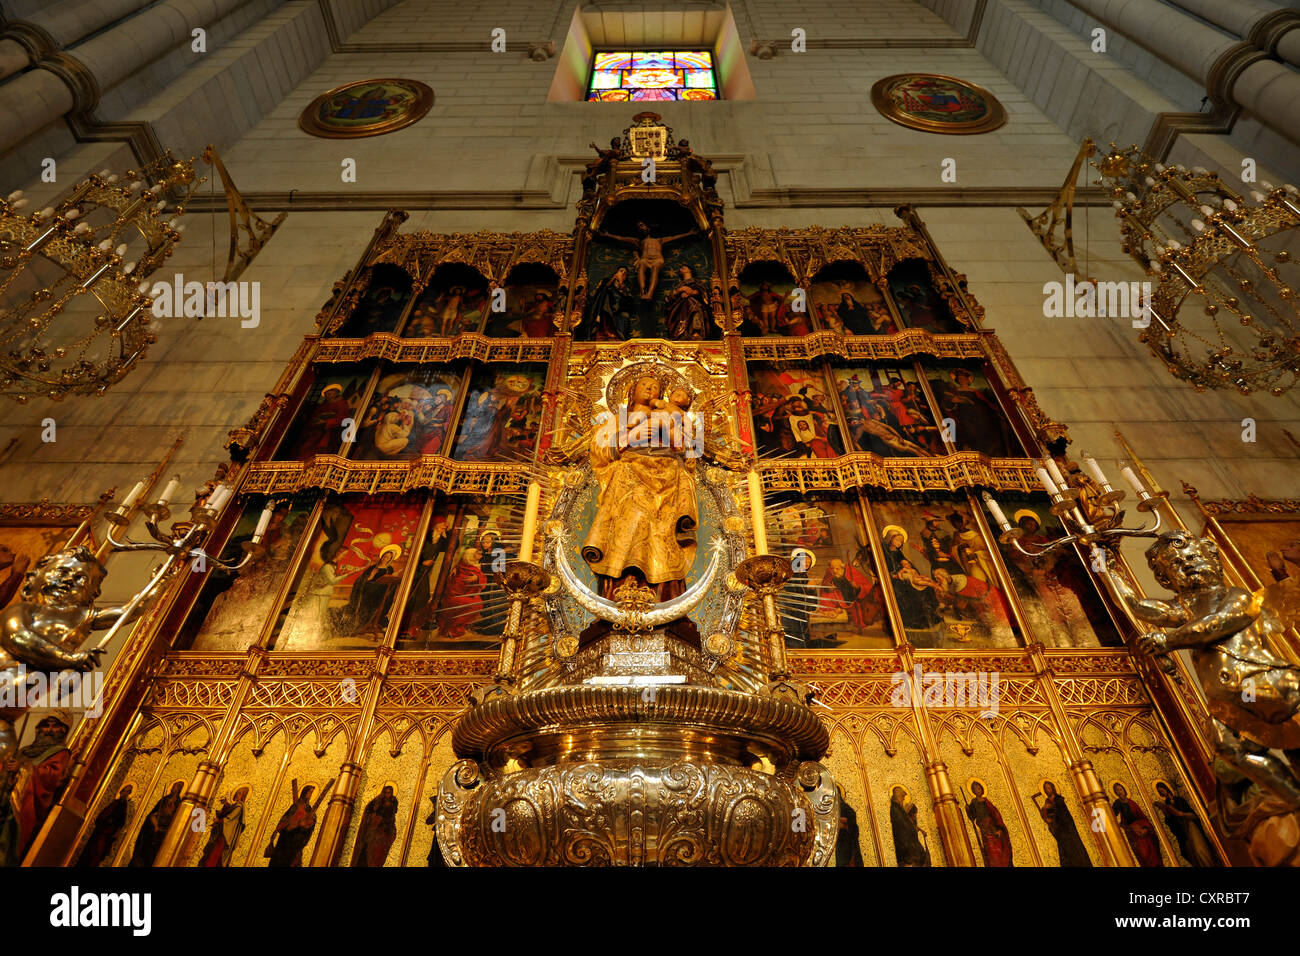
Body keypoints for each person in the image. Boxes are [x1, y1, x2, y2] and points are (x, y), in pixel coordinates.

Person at [581, 373, 699, 647]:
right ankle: (616, 605)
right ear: (630, 391)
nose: (650, 387)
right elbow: (598, 452)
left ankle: (667, 608)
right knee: (629, 530)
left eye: (656, 385)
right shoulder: (618, 420)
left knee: (663, 540)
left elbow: (693, 454)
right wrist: (628, 438)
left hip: (668, 482)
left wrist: (676, 440)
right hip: (629, 480)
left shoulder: (674, 416)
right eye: (644, 384)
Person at [0, 709, 73, 866]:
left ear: (63, 730)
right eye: (46, 726)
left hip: (26, 805)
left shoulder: (60, 753)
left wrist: (23, 768)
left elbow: (54, 777)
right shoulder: (24, 750)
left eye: (55, 726)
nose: (49, 730)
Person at [596, 221, 699, 299]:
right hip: (645, 258)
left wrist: (689, 233)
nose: (640, 228)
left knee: (655, 270)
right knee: (641, 266)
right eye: (639, 227)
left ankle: (650, 293)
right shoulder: (638, 241)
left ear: (648, 227)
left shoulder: (659, 240)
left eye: (642, 225)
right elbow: (621, 238)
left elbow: (674, 237)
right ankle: (643, 292)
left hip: (657, 258)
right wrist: (607, 235)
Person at [265, 779, 333, 867]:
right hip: (285, 840)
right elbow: (284, 819)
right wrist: (288, 824)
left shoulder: (309, 810)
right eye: (309, 792)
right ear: (304, 793)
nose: (310, 795)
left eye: (311, 793)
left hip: (296, 842)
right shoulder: (295, 806)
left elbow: (310, 826)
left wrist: (305, 825)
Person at [1154, 781, 1216, 867]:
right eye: (1160, 792)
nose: (1162, 793)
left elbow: (1191, 813)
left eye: (1162, 790)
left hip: (1191, 826)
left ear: (1166, 788)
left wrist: (1180, 814)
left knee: (1200, 849)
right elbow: (1173, 825)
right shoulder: (1167, 805)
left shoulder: (1179, 800)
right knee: (1191, 853)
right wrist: (1166, 813)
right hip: (1183, 833)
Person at [128, 779, 184, 867]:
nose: (173, 788)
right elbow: (154, 813)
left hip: (163, 833)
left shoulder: (178, 803)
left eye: (175, 787)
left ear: (179, 789)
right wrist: (155, 823)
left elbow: (176, 819)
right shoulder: (164, 799)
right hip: (151, 831)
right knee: (143, 853)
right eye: (173, 786)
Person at [1037, 781, 1092, 866]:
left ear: (1053, 788)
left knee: (1074, 851)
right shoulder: (1047, 802)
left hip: (1067, 830)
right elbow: (1048, 816)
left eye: (1049, 788)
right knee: (1064, 853)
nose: (1047, 790)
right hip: (1059, 833)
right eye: (1046, 789)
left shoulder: (1058, 800)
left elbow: (1064, 816)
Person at [76, 783, 133, 867]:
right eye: (124, 790)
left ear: (129, 793)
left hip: (107, 833)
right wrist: (102, 820)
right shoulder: (116, 802)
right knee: (91, 851)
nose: (124, 793)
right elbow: (105, 814)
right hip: (101, 830)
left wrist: (114, 829)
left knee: (98, 853)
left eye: (127, 791)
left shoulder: (124, 805)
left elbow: (121, 821)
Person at [1111, 782, 1163, 866]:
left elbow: (1142, 817)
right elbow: (1112, 815)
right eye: (1117, 790)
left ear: (1124, 790)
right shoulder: (1117, 803)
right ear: (1115, 793)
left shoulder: (1132, 803)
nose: (1119, 791)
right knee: (1143, 855)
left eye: (1121, 789)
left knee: (1152, 854)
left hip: (1142, 832)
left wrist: (1145, 829)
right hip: (1132, 834)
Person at [198, 786, 249, 867]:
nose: (236, 795)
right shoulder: (235, 805)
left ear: (243, 796)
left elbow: (230, 817)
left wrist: (219, 821)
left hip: (227, 834)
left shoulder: (239, 807)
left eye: (239, 794)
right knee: (213, 851)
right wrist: (226, 804)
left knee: (216, 853)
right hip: (223, 831)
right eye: (237, 793)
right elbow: (229, 810)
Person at [966, 780, 1014, 866]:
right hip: (984, 830)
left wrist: (998, 829)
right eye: (975, 789)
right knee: (990, 851)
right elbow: (972, 816)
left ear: (982, 789)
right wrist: (968, 809)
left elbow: (995, 814)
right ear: (973, 791)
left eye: (979, 788)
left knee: (998, 850)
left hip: (992, 828)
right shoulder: (974, 802)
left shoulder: (986, 802)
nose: (977, 790)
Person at [351, 784, 399, 867]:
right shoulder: (376, 801)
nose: (387, 795)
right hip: (373, 831)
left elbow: (391, 817)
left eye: (389, 793)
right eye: (386, 792)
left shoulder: (392, 803)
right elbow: (369, 812)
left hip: (383, 831)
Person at [585, 267, 634, 340]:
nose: (623, 273)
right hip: (606, 305)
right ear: (616, 272)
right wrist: (612, 280)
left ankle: (618, 337)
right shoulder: (607, 281)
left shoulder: (626, 288)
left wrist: (621, 284)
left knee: (624, 317)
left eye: (625, 273)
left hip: (619, 309)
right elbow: (599, 291)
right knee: (605, 309)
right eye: (621, 271)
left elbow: (628, 301)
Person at [664, 265, 709, 340]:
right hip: (679, 307)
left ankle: (695, 331)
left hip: (693, 304)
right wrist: (680, 290)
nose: (681, 268)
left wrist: (692, 292)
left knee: (692, 304)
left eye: (684, 267)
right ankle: (681, 333)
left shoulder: (696, 282)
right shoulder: (679, 285)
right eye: (681, 268)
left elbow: (703, 293)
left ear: (690, 270)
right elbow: (669, 299)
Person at [889, 786, 930, 866]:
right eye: (903, 796)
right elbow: (902, 828)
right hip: (906, 850)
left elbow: (908, 824)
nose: (904, 799)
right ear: (898, 796)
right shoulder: (895, 809)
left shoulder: (899, 808)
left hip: (910, 846)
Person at [835, 786, 862, 866]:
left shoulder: (846, 809)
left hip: (847, 845)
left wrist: (843, 824)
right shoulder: (835, 809)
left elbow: (853, 829)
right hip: (841, 844)